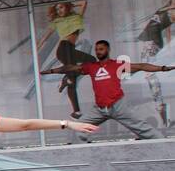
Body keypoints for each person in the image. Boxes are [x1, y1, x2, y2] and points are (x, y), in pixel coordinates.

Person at [41, 39, 172, 140]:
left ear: (107, 50)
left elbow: (142, 66)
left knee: (142, 128)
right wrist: (51, 71)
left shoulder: (116, 65)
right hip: (99, 108)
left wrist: (163, 68)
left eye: (101, 49)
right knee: (78, 128)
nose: (98, 52)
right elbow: (69, 68)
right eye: (97, 50)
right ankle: (83, 153)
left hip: (117, 105)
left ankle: (162, 143)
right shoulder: (91, 66)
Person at [35, 1, 92, 117]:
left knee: (90, 62)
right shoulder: (56, 21)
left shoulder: (77, 16)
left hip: (70, 49)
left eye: (61, 7)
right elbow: (46, 36)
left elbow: (83, 3)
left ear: (67, 7)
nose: (59, 11)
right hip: (64, 49)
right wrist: (37, 47)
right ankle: (67, 79)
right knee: (82, 68)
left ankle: (76, 111)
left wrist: (71, 5)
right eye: (56, 9)